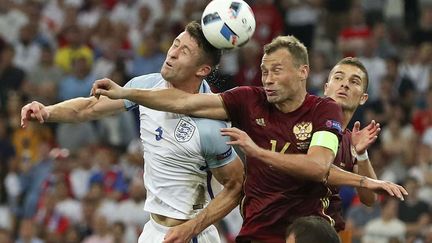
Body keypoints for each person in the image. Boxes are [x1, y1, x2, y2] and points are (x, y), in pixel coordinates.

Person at [90, 35, 407, 242]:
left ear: (302, 72)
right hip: (257, 232)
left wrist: (257, 151)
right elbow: (184, 102)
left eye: (276, 71)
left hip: (310, 232)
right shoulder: (248, 100)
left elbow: (317, 166)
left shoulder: (323, 111)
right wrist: (126, 93)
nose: (267, 79)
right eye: (264, 71)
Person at [20, 21, 244, 243]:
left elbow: (236, 185)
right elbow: (90, 107)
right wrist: (46, 111)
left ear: (203, 69)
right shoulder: (145, 87)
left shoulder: (210, 125)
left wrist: (192, 228)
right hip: (152, 230)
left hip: (191, 235)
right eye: (175, 44)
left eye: (184, 51)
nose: (173, 53)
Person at [322, 57, 381, 239]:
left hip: (327, 232)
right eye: (338, 78)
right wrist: (361, 180)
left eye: (354, 81)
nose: (344, 85)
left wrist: (361, 154)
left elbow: (370, 199)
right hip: (288, 229)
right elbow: (317, 168)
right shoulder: (305, 122)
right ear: (326, 88)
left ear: (363, 98)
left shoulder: (348, 139)